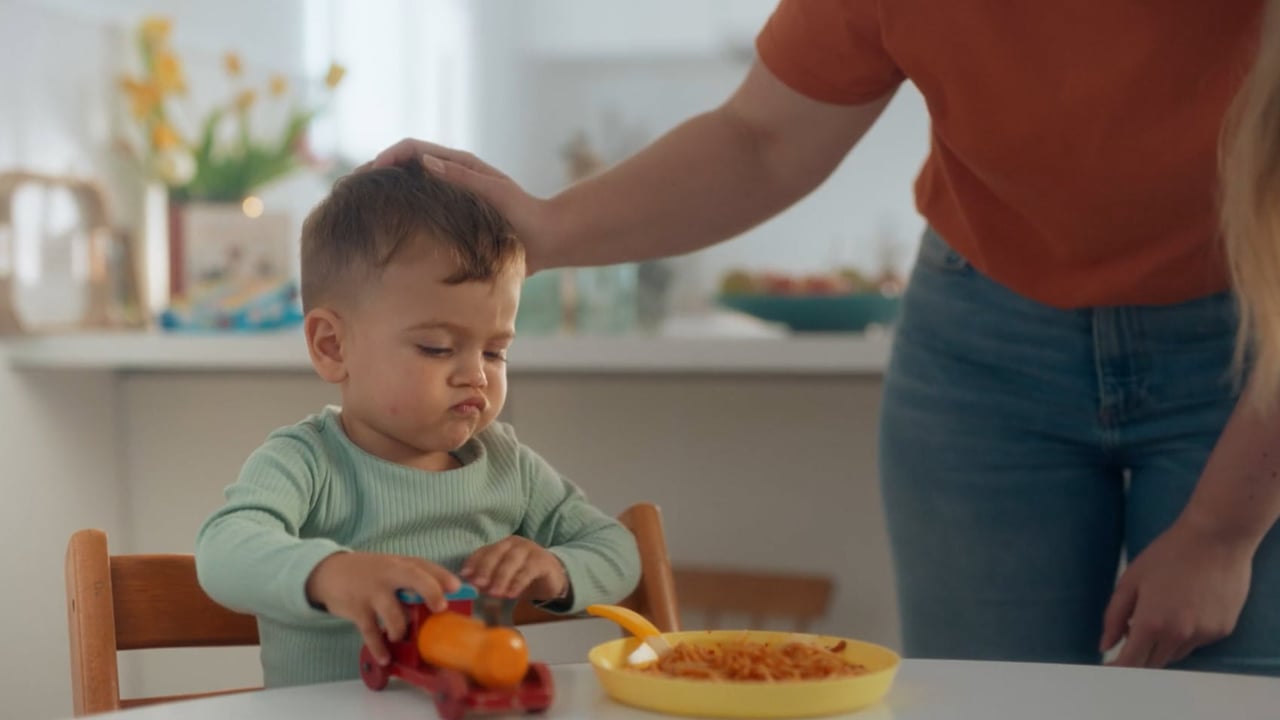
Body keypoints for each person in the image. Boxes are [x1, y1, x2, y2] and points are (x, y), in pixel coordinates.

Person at [370, 1, 1280, 674]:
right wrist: (547, 230)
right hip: (986, 336)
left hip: (1252, 342)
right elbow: (762, 140)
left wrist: (1221, 531)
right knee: (994, 695)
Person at [194, 163, 641, 687]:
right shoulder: (307, 461)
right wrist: (327, 573)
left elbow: (619, 551)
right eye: (437, 347)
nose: (475, 374)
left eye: (496, 351)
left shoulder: (506, 466)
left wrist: (554, 570)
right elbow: (223, 549)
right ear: (333, 346)